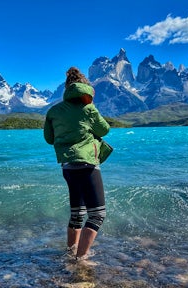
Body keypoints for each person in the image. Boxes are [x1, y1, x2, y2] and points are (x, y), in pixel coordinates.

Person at [43, 67, 110, 261]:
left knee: (77, 214)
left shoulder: (53, 111)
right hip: (88, 165)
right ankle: (80, 260)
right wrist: (91, 106)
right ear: (85, 89)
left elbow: (49, 138)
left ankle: (71, 252)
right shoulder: (88, 109)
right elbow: (104, 130)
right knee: (97, 215)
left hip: (68, 167)